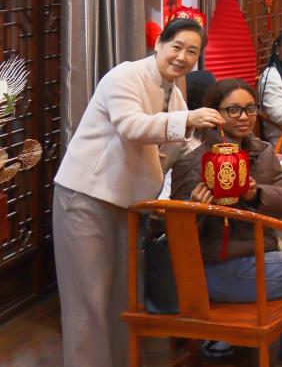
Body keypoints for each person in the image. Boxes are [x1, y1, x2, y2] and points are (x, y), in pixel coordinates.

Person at [53, 19, 224, 367]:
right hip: (86, 197)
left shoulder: (174, 94)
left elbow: (177, 152)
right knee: (88, 301)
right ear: (159, 43)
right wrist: (188, 120)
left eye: (192, 52)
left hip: (129, 204)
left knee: (122, 298)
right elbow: (131, 127)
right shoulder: (125, 76)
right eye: (177, 47)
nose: (182, 57)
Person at [170, 80, 282, 367]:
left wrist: (255, 194)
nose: (244, 117)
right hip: (219, 269)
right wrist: (196, 209)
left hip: (260, 258)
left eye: (250, 109)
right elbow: (173, 230)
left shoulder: (261, 151)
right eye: (233, 110)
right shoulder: (195, 162)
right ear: (215, 114)